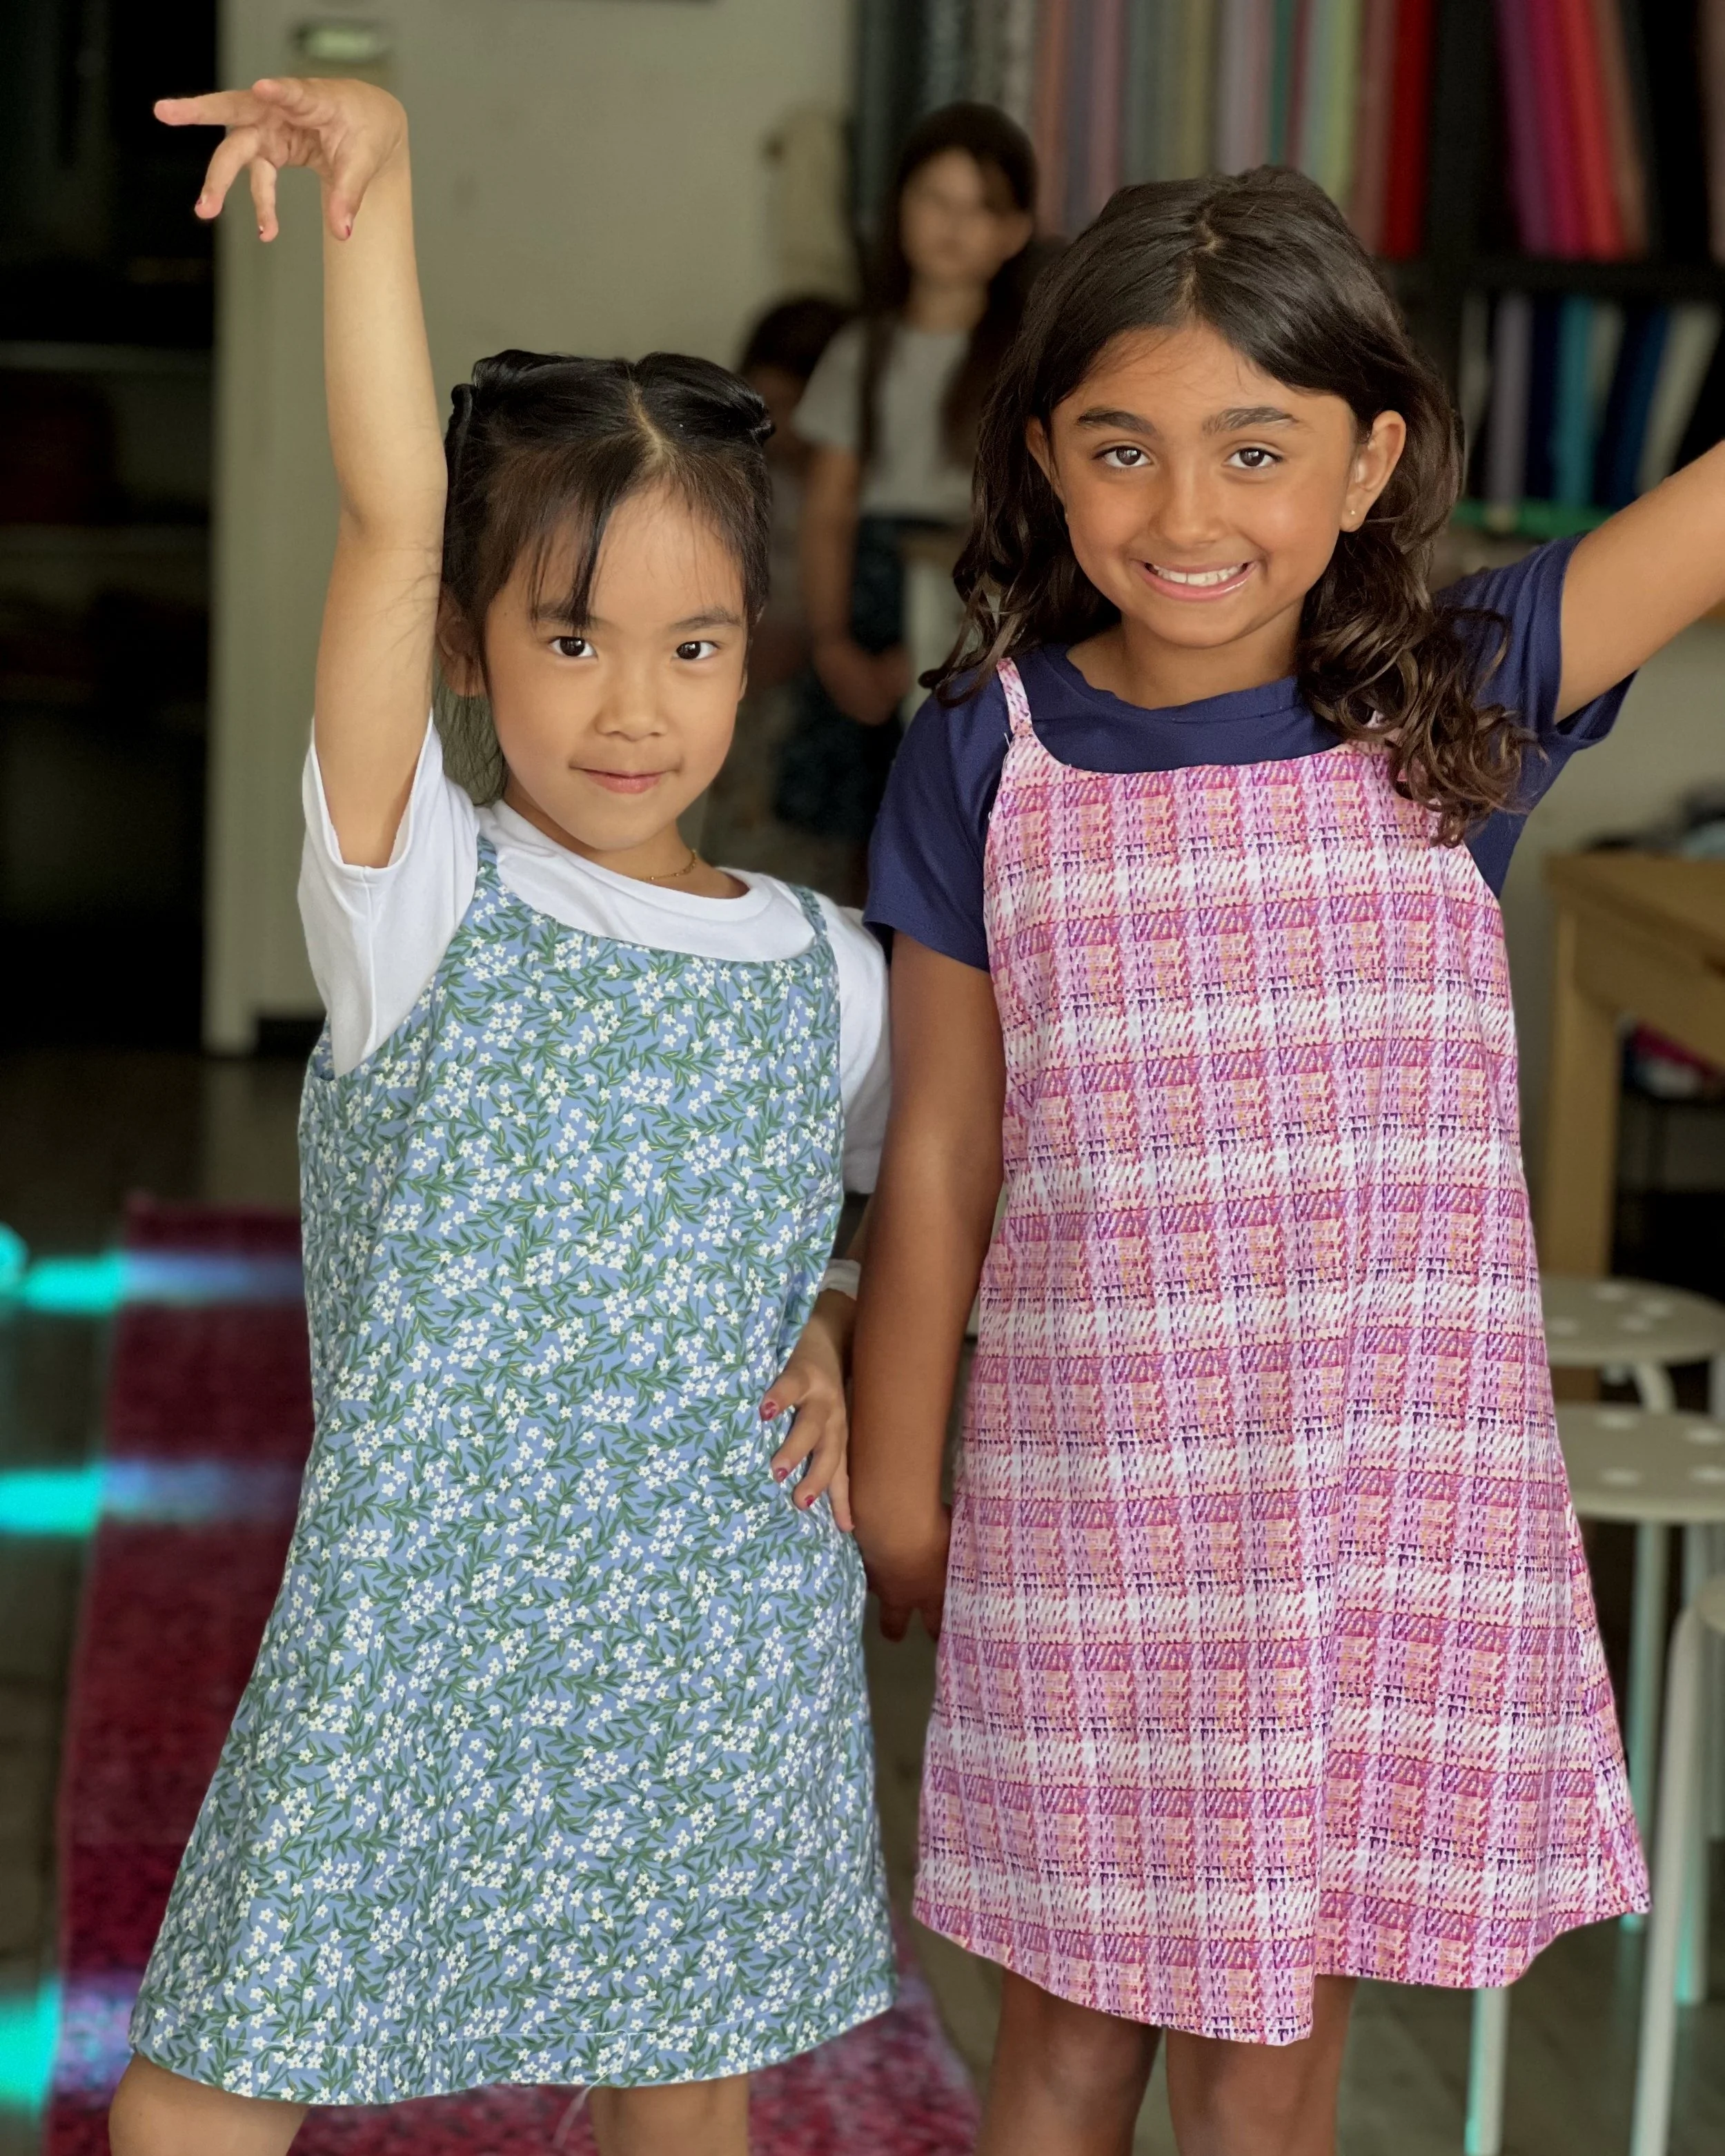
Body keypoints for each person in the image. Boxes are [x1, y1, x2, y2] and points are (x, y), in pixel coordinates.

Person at [846, 166, 1717, 2155]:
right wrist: (901, 1488)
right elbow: (941, 1146)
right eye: (1120, 448)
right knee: (1060, 2043)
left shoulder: (1453, 691)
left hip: (1353, 1515)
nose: (1184, 513)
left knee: (1267, 2066)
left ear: (1367, 459)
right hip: (1087, 1506)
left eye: (1256, 449)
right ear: (1044, 458)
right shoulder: (984, 752)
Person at [110, 77, 894, 2156]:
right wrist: (366, 202)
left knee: (680, 2081)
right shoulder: (414, 896)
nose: (630, 705)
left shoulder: (830, 972)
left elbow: (926, 1211)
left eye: (690, 645)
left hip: (709, 1630)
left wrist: (824, 1314)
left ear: (753, 659)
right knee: (217, 2076)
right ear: (469, 652)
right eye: (568, 639)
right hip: (417, 1624)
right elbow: (387, 513)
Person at [775, 102, 1038, 894]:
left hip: (983, 591)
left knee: (970, 816)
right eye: (935, 200)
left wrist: (953, 640)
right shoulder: (862, 349)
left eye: (981, 207)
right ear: (899, 213)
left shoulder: (1030, 360)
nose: (954, 226)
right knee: (865, 821)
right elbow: (827, 515)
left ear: (1016, 231)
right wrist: (832, 643)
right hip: (873, 588)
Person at [695, 295, 860, 897]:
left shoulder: (849, 503)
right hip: (745, 712)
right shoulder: (736, 483)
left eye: (796, 408)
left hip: (825, 709)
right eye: (766, 408)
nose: (780, 428)